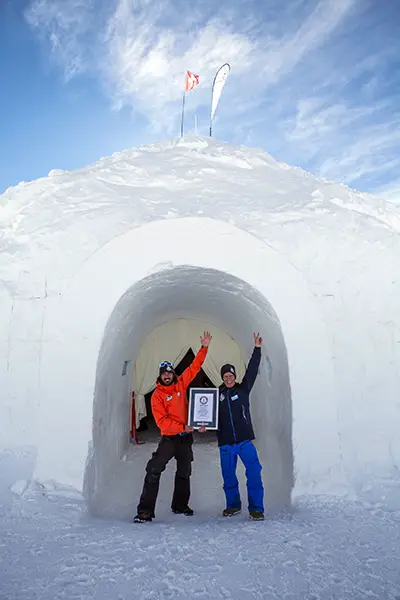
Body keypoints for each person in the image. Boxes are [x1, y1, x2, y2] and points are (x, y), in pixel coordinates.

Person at [133, 331, 212, 523]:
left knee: (184, 471)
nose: (167, 376)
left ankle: (180, 505)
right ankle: (145, 511)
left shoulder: (180, 385)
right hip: (170, 438)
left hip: (185, 438)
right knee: (154, 469)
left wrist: (204, 348)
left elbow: (194, 367)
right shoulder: (157, 396)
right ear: (160, 377)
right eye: (164, 374)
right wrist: (184, 426)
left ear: (173, 374)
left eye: (169, 373)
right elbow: (163, 423)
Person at [218, 332, 264, 521]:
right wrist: (203, 425)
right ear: (222, 377)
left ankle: (256, 508)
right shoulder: (217, 395)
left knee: (254, 472)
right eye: (225, 376)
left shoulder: (243, 389)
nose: (228, 378)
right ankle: (233, 505)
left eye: (231, 375)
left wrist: (257, 349)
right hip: (226, 443)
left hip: (244, 440)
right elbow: (206, 414)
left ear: (235, 376)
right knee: (229, 477)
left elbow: (252, 370)